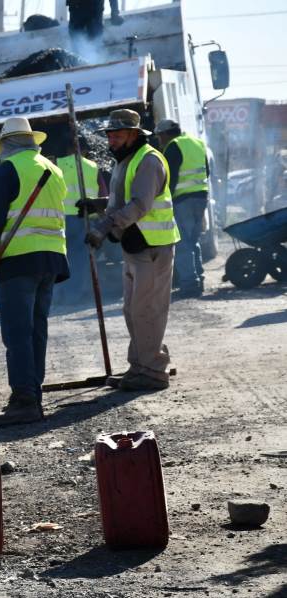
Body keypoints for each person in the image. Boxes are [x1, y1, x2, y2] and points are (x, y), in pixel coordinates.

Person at [0, 117, 68, 425]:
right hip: (51, 259)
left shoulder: (8, 169)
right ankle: (33, 394)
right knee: (35, 330)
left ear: (8, 144)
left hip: (18, 260)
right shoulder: (53, 170)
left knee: (17, 334)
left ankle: (24, 400)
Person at [86, 109, 180, 391]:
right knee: (133, 310)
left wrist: (104, 225)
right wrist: (98, 203)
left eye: (117, 135)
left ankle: (153, 371)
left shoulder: (148, 160)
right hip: (136, 245)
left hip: (153, 246)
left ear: (134, 134)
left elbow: (140, 204)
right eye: (110, 135)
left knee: (147, 310)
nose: (111, 140)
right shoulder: (126, 160)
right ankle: (139, 366)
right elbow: (125, 198)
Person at [155, 119, 210, 298]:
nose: (159, 140)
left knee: (182, 243)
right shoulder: (198, 143)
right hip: (201, 196)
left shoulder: (173, 146)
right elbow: (207, 171)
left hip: (182, 199)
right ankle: (199, 280)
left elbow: (170, 178)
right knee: (193, 240)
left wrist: (165, 202)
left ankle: (189, 285)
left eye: (159, 136)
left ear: (165, 134)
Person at [54, 140, 108, 306]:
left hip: (62, 219)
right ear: (84, 150)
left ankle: (56, 297)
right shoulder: (93, 166)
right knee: (80, 260)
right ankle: (73, 297)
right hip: (84, 218)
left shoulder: (57, 164)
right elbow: (103, 194)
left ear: (69, 148)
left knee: (59, 258)